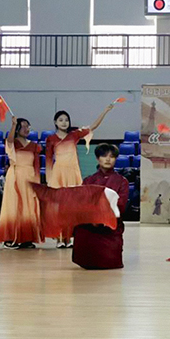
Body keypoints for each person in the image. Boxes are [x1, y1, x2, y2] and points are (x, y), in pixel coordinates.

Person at [45, 105, 115, 248]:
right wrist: (49, 179)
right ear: (55, 122)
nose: (64, 122)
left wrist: (105, 111)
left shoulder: (74, 135)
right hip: (58, 174)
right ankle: (59, 238)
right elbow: (48, 160)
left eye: (66, 120)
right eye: (61, 120)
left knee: (72, 207)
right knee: (59, 207)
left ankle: (69, 237)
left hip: (73, 172)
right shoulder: (51, 139)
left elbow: (93, 126)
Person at [72, 144, 129, 269]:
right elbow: (82, 202)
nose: (108, 159)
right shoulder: (89, 180)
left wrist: (103, 216)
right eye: (104, 156)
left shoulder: (122, 181)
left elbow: (121, 204)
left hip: (110, 223)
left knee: (110, 261)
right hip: (91, 222)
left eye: (112, 156)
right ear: (98, 158)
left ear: (116, 159)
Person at [0, 117, 42, 249]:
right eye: (23, 126)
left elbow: (36, 165)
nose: (26, 129)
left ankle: (27, 238)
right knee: (13, 206)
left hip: (30, 177)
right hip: (15, 175)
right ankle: (10, 238)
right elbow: (9, 141)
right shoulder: (12, 143)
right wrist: (13, 125)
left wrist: (37, 182)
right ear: (17, 129)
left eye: (28, 126)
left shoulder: (34, 146)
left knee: (29, 207)